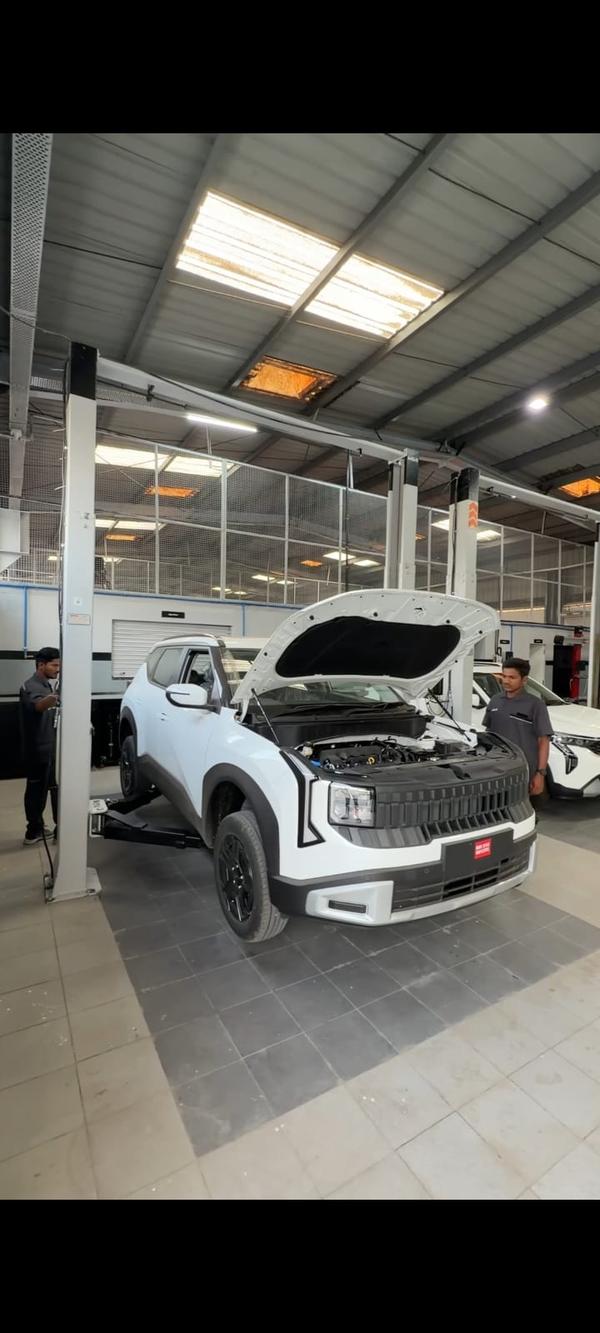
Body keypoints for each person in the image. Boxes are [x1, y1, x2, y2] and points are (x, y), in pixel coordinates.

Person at [483, 657, 552, 797]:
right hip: (496, 768)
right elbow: (488, 733)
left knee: (521, 806)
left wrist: (540, 774)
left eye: (512, 677)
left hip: (523, 770)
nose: (506, 681)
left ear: (524, 680)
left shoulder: (535, 705)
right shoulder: (495, 700)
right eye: (504, 676)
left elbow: (544, 741)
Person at [19, 647, 60, 846]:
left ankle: (58, 827)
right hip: (38, 750)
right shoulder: (30, 685)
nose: (58, 669)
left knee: (55, 787)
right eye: (54, 665)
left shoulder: (46, 685)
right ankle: (33, 831)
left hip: (51, 748)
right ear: (41, 665)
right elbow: (39, 706)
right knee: (37, 791)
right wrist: (56, 696)